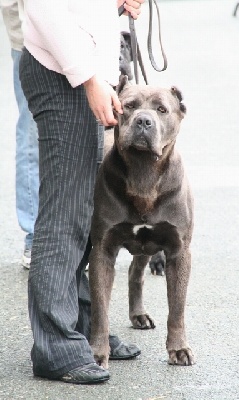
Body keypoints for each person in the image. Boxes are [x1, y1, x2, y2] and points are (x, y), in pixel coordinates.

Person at [19, 0, 144, 385]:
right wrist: (88, 78)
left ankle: (88, 329)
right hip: (63, 74)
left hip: (80, 73)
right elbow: (44, 7)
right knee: (65, 214)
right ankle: (55, 348)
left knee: (83, 213)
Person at [0, 0, 39, 269]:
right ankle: (35, 235)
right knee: (32, 136)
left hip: (87, 33)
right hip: (30, 36)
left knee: (87, 131)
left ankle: (81, 232)